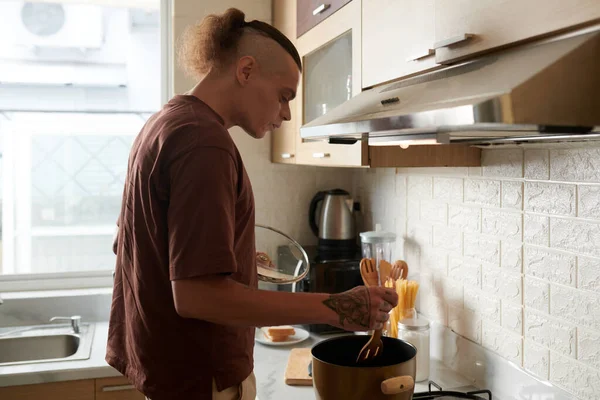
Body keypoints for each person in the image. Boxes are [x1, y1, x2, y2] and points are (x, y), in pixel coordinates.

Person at [106, 8, 398, 400]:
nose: (287, 114)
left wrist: (238, 261)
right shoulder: (203, 143)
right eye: (284, 96)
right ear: (246, 70)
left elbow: (148, 246)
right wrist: (335, 307)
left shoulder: (165, 123)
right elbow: (196, 296)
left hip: (172, 371)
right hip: (202, 379)